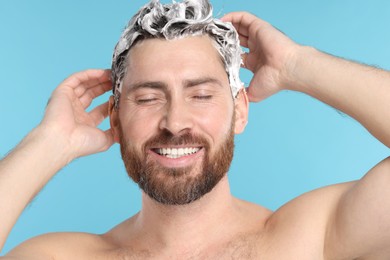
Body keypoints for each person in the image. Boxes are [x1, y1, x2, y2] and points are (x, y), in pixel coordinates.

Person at [1, 0, 389, 259]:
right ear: (116, 121)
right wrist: (47, 145)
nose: (175, 123)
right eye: (148, 98)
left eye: (201, 95)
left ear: (240, 111)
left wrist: (298, 64)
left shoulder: (311, 239)